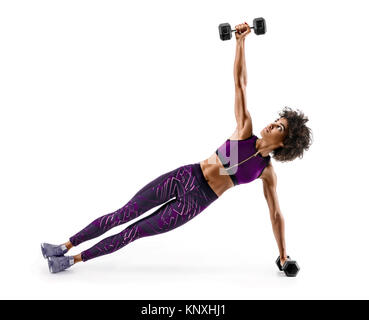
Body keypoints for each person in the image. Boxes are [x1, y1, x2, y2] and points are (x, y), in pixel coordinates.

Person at [41, 22, 312, 273]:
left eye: (279, 127)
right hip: (185, 177)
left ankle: (70, 261)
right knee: (122, 214)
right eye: (276, 121)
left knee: (134, 232)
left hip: (196, 202)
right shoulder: (245, 131)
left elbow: (275, 214)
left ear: (286, 143)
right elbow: (240, 84)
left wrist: (284, 254)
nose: (271, 125)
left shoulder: (265, 171)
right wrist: (240, 43)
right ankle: (64, 246)